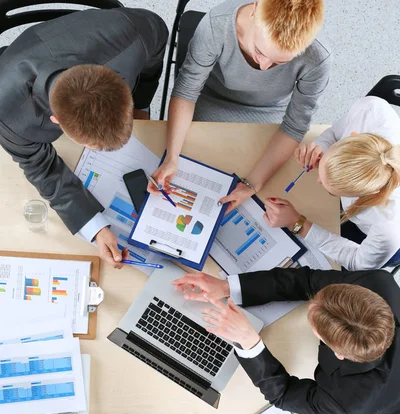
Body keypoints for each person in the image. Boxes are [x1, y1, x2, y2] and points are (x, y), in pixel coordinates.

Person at [0, 8, 168, 267]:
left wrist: (141, 107)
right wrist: (97, 228)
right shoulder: (7, 114)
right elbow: (41, 168)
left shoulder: (138, 34)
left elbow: (156, 46)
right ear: (57, 123)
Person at [172, 268, 400, 414]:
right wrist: (227, 287)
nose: (312, 304)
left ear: (339, 353)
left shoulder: (349, 402)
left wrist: (249, 341)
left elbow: (284, 394)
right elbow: (308, 280)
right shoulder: (376, 282)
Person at [149, 0, 331, 210]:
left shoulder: (318, 58)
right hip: (209, 101)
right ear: (254, 10)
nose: (264, 67)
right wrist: (171, 158)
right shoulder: (217, 24)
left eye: (279, 62)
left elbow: (294, 126)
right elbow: (186, 92)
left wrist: (252, 184)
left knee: (270, 188)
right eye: (259, 51)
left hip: (269, 115)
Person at [262, 96, 400, 270]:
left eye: (332, 191)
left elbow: (357, 262)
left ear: (367, 192)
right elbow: (334, 133)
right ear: (352, 136)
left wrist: (298, 223)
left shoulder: (389, 226)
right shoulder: (370, 110)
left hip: (382, 246)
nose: (318, 180)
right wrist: (320, 146)